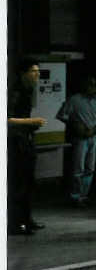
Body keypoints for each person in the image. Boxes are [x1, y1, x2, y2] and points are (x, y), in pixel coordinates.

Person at [56, 76, 96, 207]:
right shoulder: (75, 100)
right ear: (84, 85)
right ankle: (75, 197)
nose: (92, 87)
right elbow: (62, 115)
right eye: (89, 84)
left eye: (94, 84)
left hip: (93, 137)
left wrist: (94, 129)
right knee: (78, 168)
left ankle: (84, 195)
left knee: (90, 168)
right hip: (79, 137)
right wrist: (75, 124)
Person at [7, 58, 47, 234]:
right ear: (23, 74)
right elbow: (7, 119)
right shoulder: (15, 92)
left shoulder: (28, 91)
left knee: (28, 182)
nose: (37, 74)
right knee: (18, 183)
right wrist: (31, 121)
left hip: (26, 139)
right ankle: (14, 223)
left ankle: (26, 219)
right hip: (15, 141)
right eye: (33, 71)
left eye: (38, 71)